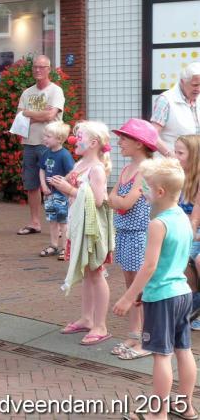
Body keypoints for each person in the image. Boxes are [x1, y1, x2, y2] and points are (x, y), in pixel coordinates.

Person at [113, 158, 197, 420]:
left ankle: (157, 414)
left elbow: (149, 266)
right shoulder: (183, 218)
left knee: (161, 355)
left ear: (160, 192)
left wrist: (128, 297)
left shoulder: (157, 224)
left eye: (148, 187)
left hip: (162, 296)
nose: (144, 192)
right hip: (182, 293)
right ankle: (186, 406)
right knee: (183, 350)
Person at [52, 121, 114, 346]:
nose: (74, 140)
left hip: (92, 230)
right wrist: (64, 183)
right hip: (78, 225)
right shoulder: (80, 164)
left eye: (80, 137)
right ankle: (87, 318)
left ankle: (101, 325)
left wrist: (69, 189)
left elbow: (97, 200)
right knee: (87, 272)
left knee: (96, 273)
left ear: (94, 143)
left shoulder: (96, 169)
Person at [107, 118, 156, 360]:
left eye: (124, 138)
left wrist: (117, 201)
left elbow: (122, 202)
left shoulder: (146, 170)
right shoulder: (127, 169)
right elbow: (113, 199)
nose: (119, 142)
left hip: (139, 235)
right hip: (125, 233)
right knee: (130, 285)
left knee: (141, 288)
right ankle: (135, 333)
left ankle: (148, 337)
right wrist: (118, 201)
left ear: (139, 143)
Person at [16, 55, 65, 235]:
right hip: (29, 143)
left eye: (42, 67)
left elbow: (50, 116)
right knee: (32, 185)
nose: (38, 70)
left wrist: (29, 114)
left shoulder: (55, 91)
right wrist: (39, 115)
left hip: (49, 145)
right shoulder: (27, 93)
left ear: (49, 69)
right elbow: (19, 118)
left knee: (54, 184)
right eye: (35, 66)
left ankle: (60, 225)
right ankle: (35, 223)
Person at [38, 121, 75, 260]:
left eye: (48, 136)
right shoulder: (46, 153)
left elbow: (72, 172)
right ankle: (53, 245)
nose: (45, 139)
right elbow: (42, 169)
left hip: (62, 195)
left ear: (59, 139)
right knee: (52, 220)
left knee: (63, 222)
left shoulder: (65, 155)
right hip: (49, 194)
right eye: (45, 136)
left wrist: (62, 181)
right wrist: (44, 186)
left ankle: (65, 248)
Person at [175, 135, 200, 330]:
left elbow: (194, 219)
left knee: (194, 259)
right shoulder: (178, 178)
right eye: (175, 151)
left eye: (180, 153)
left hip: (194, 230)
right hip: (187, 229)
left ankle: (194, 309)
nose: (175, 156)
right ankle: (188, 306)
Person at [151, 61, 200, 157]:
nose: (198, 89)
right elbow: (152, 134)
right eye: (195, 85)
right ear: (182, 81)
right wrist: (170, 155)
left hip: (194, 161)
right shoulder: (165, 100)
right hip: (171, 162)